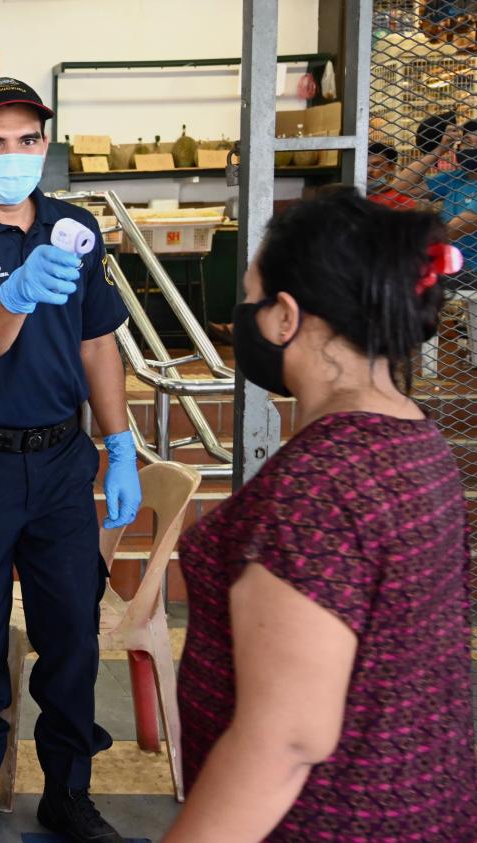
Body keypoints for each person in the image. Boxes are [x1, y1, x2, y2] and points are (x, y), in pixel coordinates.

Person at [166, 190, 477, 841]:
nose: (243, 316)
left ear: (285, 316)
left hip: (332, 818)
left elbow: (284, 740)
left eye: (251, 298)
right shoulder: (415, 438)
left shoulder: (324, 481)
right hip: (419, 801)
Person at [0, 77, 140, 843]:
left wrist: (120, 443)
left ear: (46, 144)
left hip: (63, 460)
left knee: (72, 630)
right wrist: (15, 294)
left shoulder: (76, 227)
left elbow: (97, 339)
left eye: (26, 139)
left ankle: (68, 790)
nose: (12, 154)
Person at [388, 118, 477, 272]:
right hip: (447, 266)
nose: (472, 147)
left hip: (471, 273)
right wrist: (439, 150)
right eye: (466, 142)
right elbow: (400, 187)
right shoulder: (456, 178)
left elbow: (461, 226)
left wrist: (413, 246)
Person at [366, 141, 418, 209]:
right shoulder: (352, 195)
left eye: (376, 165)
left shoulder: (401, 201)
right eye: (364, 164)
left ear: (391, 167)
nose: (368, 170)